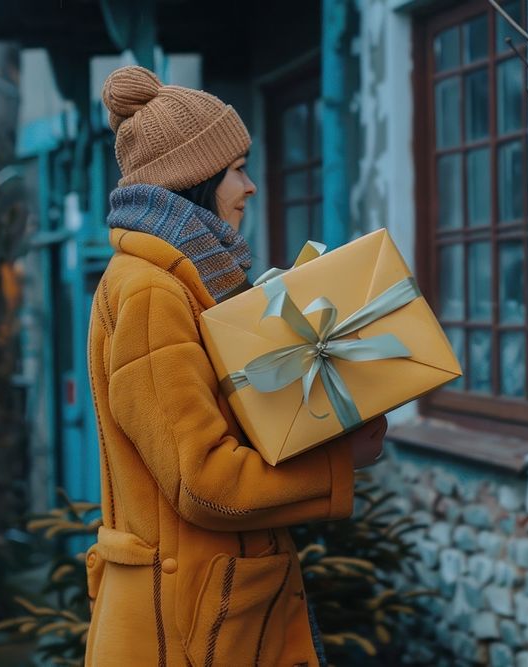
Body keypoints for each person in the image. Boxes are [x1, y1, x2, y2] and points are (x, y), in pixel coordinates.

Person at [84, 65, 387, 667]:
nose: (249, 187)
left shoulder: (192, 282)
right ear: (196, 179)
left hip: (211, 612)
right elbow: (204, 484)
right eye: (237, 169)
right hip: (190, 631)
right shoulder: (153, 293)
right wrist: (338, 463)